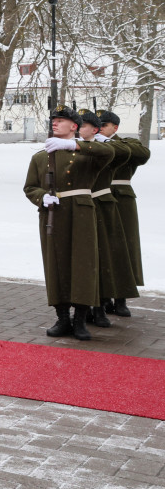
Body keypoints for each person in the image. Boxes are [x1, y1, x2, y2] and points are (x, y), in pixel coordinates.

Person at [23, 105, 107, 340]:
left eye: (61, 120)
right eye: (54, 120)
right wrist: (42, 197)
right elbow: (30, 187)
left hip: (80, 213)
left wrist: (76, 144)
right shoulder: (41, 157)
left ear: (74, 126)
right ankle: (62, 318)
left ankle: (80, 320)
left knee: (82, 265)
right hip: (53, 215)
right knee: (56, 264)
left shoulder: (87, 153)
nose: (55, 123)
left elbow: (109, 153)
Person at [81, 111, 132, 329]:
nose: (100, 128)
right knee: (85, 259)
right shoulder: (72, 147)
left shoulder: (108, 149)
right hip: (80, 206)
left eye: (103, 125)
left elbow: (125, 152)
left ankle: (102, 305)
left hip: (102, 205)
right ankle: (85, 308)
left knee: (105, 257)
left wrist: (100, 140)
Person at [105, 110, 148, 314]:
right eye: (98, 125)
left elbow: (142, 154)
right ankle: (102, 298)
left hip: (121, 199)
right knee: (102, 248)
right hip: (97, 197)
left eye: (105, 125)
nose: (101, 129)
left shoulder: (126, 143)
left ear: (115, 127)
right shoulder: (88, 144)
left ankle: (121, 298)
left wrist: (106, 144)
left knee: (124, 247)